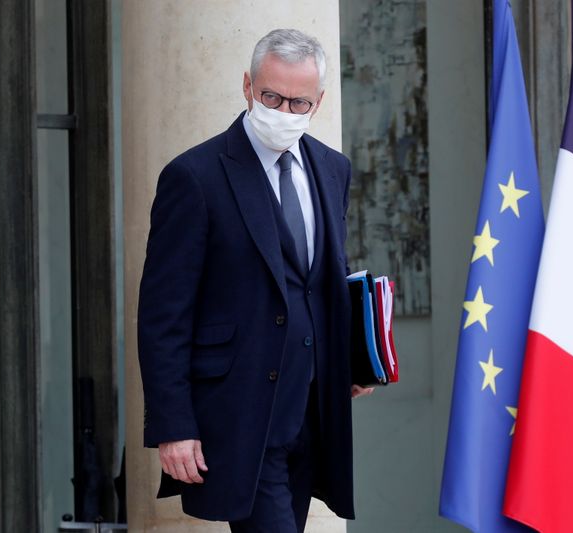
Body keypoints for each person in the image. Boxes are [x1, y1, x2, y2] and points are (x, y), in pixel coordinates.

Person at [137, 28, 373, 532]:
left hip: (314, 410)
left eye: (298, 102)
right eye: (271, 96)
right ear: (247, 85)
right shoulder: (194, 176)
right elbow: (163, 314)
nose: (283, 111)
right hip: (242, 413)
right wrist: (173, 426)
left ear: (319, 101)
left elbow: (322, 278)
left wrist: (353, 356)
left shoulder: (333, 168)